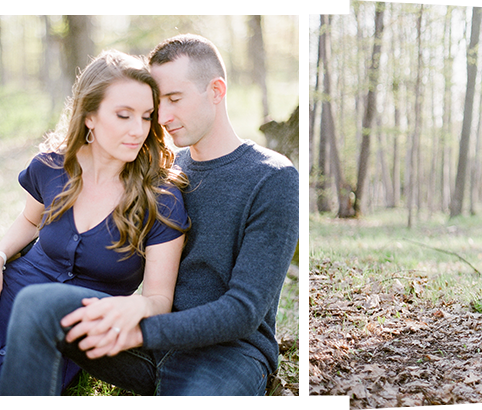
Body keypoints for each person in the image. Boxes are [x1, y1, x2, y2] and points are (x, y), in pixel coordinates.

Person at [0, 34, 298, 396]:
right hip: (144, 343)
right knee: (37, 304)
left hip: (224, 354)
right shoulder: (166, 172)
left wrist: (139, 323)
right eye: (159, 103)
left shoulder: (273, 178)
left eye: (174, 99)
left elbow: (243, 312)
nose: (162, 117)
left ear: (216, 90)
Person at [0, 50, 188, 391]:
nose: (138, 130)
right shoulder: (52, 166)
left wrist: (133, 308)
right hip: (11, 292)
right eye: (123, 115)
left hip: (72, 326)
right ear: (89, 115)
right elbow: (29, 223)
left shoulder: (160, 198)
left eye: (146, 117)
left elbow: (159, 300)